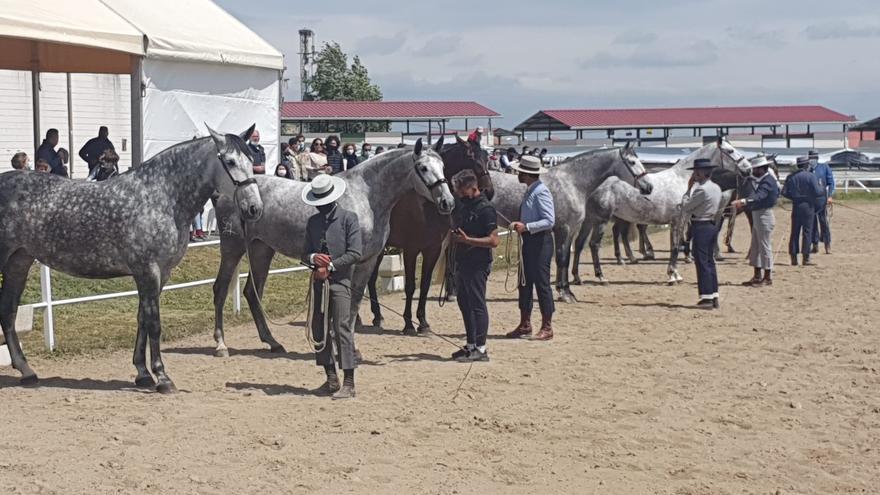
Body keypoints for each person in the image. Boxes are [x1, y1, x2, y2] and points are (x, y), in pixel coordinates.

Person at [301, 174, 363, 399]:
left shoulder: (349, 219)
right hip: (319, 282)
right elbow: (304, 253)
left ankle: (349, 381)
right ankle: (331, 377)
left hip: (340, 282)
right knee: (319, 329)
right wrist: (313, 257)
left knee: (342, 329)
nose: (320, 206)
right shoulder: (313, 222)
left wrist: (332, 266)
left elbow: (355, 252)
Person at [450, 169, 500, 362]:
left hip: (478, 262)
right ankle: (470, 344)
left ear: (472, 187)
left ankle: (481, 348)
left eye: (461, 190)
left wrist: (468, 240)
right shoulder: (465, 206)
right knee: (464, 303)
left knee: (477, 304)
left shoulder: (486, 209)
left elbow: (494, 241)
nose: (458, 194)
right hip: (463, 261)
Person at [506, 155, 555, 341]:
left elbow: (549, 220)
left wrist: (527, 227)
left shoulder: (541, 192)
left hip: (540, 242)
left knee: (542, 283)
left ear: (526, 173)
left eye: (520, 171)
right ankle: (525, 323)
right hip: (529, 240)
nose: (517, 174)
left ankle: (547, 326)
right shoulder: (530, 190)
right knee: (524, 282)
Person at [681, 158, 724, 309]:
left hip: (701, 224)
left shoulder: (701, 190)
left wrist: (687, 191)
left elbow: (686, 206)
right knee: (710, 261)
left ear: (702, 173)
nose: (694, 174)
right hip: (711, 224)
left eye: (696, 172)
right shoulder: (716, 187)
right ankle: (713, 294)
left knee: (701, 261)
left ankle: (706, 297)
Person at [732, 155, 780, 286]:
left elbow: (760, 196)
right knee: (756, 246)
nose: (753, 171)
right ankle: (757, 275)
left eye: (755, 169)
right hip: (758, 214)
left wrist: (743, 201)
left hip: (764, 215)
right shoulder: (762, 180)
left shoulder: (767, 181)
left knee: (764, 246)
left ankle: (767, 277)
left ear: (761, 169)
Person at [782, 156, 823, 266]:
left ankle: (794, 257)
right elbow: (818, 192)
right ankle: (806, 258)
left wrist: (794, 197)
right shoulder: (811, 176)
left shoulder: (791, 177)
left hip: (796, 206)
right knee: (807, 232)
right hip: (808, 206)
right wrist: (821, 188)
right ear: (806, 165)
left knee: (794, 232)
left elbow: (784, 192)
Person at [809, 150, 834, 254]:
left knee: (823, 222)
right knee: (812, 223)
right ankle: (815, 244)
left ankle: (827, 244)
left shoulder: (824, 168)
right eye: (810, 157)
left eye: (814, 157)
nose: (812, 160)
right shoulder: (807, 169)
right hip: (810, 200)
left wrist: (830, 196)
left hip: (822, 199)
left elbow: (831, 183)